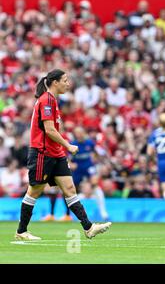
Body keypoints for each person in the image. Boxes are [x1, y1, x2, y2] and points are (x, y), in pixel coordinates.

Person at [15, 69, 111, 241]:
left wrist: (62, 150)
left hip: (55, 153)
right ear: (55, 82)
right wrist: (68, 145)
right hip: (42, 154)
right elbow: (49, 130)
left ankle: (88, 228)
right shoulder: (46, 100)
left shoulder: (53, 100)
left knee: (69, 189)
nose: (68, 83)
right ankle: (21, 231)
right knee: (35, 191)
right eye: (65, 80)